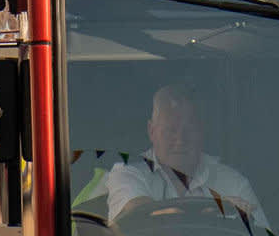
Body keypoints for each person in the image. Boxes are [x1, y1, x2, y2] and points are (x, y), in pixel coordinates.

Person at [99, 86, 266, 226]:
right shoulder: (127, 173)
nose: (180, 140)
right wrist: (214, 210)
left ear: (201, 131)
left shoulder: (234, 183)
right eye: (170, 130)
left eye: (189, 130)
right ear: (151, 131)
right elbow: (141, 214)